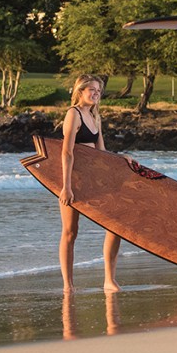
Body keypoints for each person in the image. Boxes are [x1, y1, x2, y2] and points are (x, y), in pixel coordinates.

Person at [58, 74, 125, 293]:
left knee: (115, 225)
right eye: (92, 90)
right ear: (80, 91)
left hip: (94, 178)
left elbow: (101, 154)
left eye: (98, 91)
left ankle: (109, 280)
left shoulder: (95, 117)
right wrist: (66, 187)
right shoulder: (73, 114)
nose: (96, 94)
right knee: (70, 231)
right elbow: (67, 152)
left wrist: (122, 159)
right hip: (74, 179)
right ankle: (68, 286)